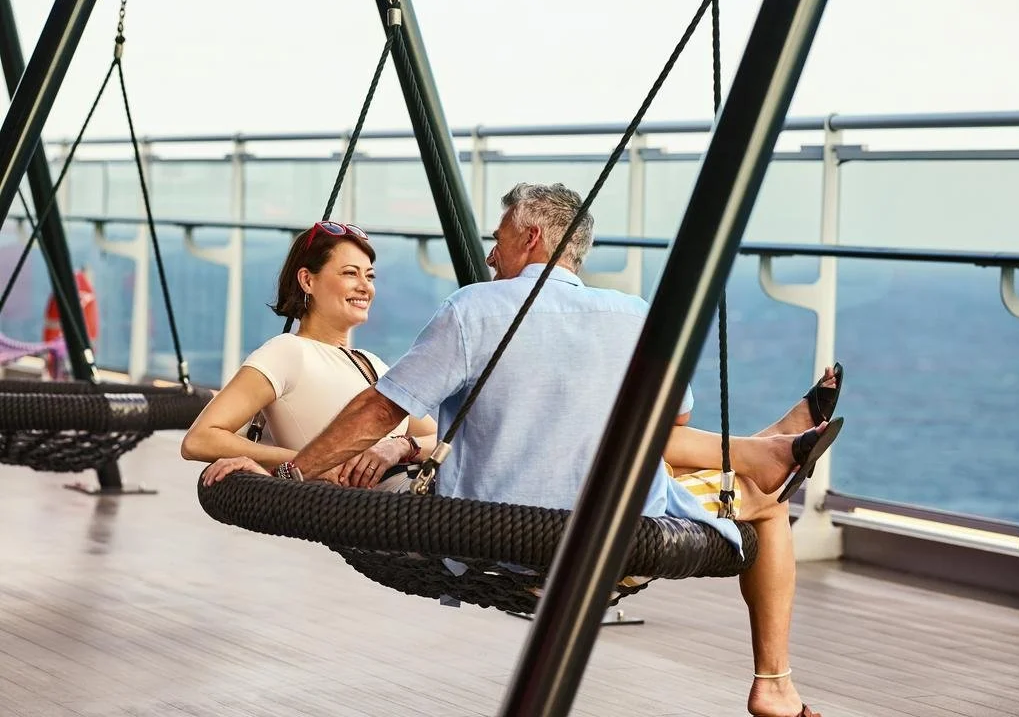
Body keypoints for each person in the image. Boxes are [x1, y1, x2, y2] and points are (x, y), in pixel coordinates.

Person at [202, 185, 840, 717]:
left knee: (626, 444)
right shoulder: (637, 314)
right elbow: (668, 427)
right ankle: (773, 676)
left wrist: (291, 473)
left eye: (499, 237)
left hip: (496, 540)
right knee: (759, 505)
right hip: (620, 538)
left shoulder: (474, 308)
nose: (489, 252)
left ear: (530, 238)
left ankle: (764, 449)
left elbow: (378, 409)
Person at [181, 220, 437, 489]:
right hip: (398, 506)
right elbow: (200, 439)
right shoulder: (287, 352)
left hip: (424, 494)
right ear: (307, 280)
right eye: (350, 273)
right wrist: (305, 465)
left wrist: (402, 446)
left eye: (369, 276)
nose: (365, 286)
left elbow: (439, 438)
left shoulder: (371, 362)